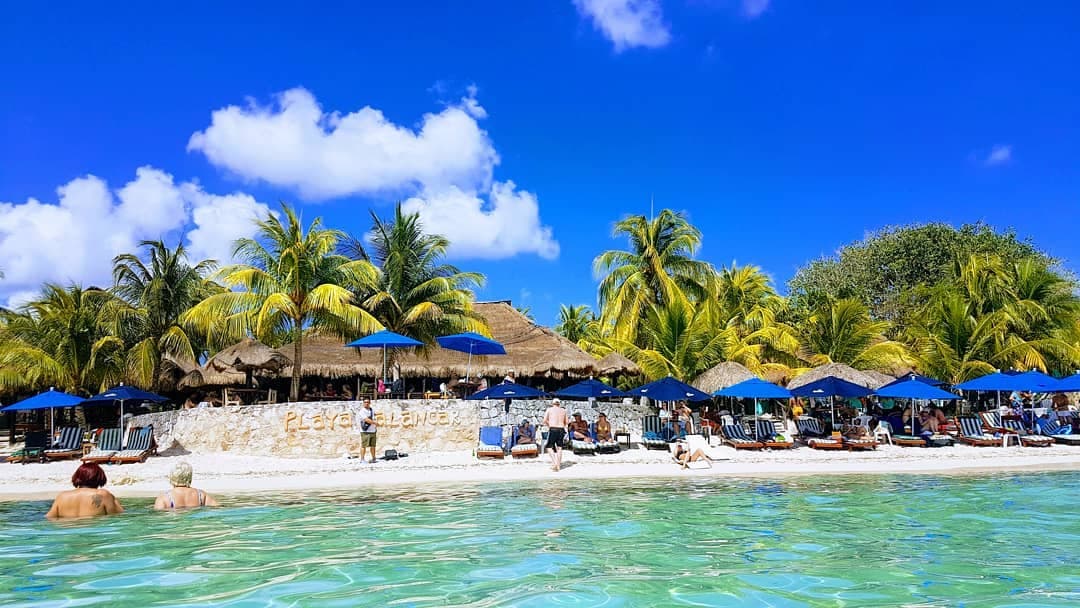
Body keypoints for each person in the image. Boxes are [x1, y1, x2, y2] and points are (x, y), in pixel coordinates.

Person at [46, 463, 124, 519]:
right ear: (100, 478)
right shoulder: (103, 494)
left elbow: (50, 518)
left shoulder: (62, 496)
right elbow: (117, 516)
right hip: (94, 536)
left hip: (69, 536)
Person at [154, 461, 219, 510]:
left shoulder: (164, 498)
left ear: (172, 477)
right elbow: (218, 507)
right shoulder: (201, 495)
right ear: (190, 477)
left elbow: (158, 515)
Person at [542, 397, 568, 472]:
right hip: (561, 429)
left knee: (549, 447)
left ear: (552, 403)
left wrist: (549, 425)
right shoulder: (563, 410)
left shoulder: (549, 410)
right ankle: (559, 466)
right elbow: (566, 422)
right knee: (559, 448)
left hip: (553, 429)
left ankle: (555, 463)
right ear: (559, 403)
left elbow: (544, 420)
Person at [357, 398, 378, 463]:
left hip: (373, 430)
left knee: (373, 446)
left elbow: (375, 417)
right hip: (365, 431)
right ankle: (362, 459)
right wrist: (375, 423)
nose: (366, 403)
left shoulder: (372, 410)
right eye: (365, 402)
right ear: (363, 403)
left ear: (370, 403)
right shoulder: (362, 411)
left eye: (368, 402)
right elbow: (366, 420)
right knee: (364, 446)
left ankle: (373, 458)